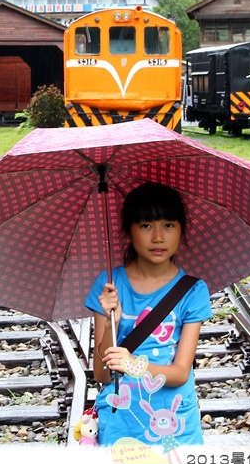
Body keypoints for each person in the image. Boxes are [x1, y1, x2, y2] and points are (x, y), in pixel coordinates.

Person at [84, 182, 213, 450]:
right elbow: (102, 374)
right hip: (122, 424)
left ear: (181, 230)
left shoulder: (192, 291)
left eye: (168, 225)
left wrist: (134, 365)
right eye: (145, 225)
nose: (158, 237)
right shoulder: (108, 284)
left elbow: (180, 373)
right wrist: (111, 323)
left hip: (174, 426)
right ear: (128, 232)